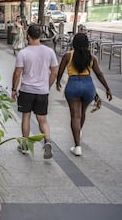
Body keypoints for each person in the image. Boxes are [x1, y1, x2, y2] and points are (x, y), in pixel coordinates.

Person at [56, 33, 112, 156]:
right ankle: (79, 132)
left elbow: (60, 72)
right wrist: (107, 88)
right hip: (88, 86)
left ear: (74, 43)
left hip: (73, 85)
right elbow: (99, 74)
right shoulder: (92, 57)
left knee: (75, 116)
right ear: (87, 43)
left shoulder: (67, 56)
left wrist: (58, 82)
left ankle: (77, 146)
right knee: (82, 113)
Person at [11, 24, 59, 159]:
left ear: (28, 36)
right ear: (40, 35)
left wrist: (14, 89)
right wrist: (47, 85)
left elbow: (17, 73)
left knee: (26, 117)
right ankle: (48, 141)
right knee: (42, 119)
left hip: (26, 90)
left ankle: (25, 146)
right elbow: (54, 71)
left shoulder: (23, 53)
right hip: (42, 91)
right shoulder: (49, 52)